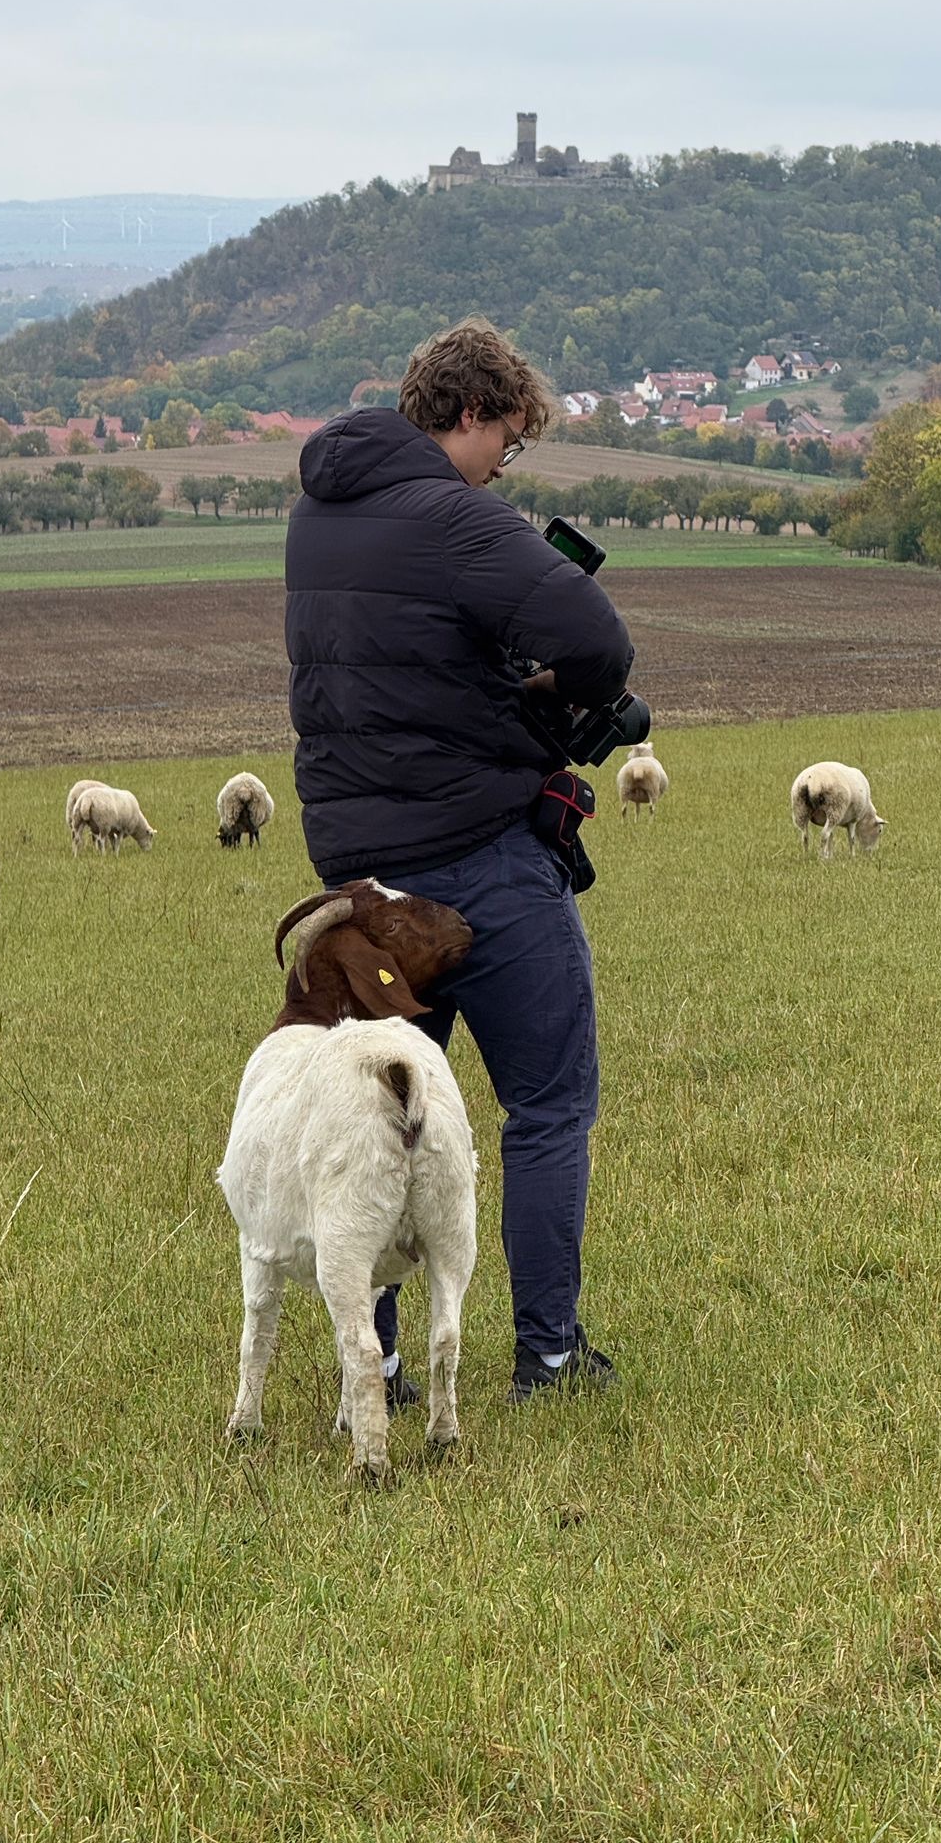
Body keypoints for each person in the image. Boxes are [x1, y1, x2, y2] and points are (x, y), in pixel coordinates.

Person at [284, 318, 636, 1402]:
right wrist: (545, 693)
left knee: (378, 1121)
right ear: (474, 413)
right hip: (478, 863)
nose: (505, 468)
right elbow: (600, 640)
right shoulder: (455, 517)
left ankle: (377, 1363)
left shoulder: (317, 512)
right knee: (547, 1102)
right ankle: (550, 1352)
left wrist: (488, 672)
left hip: (358, 885)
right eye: (509, 444)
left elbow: (406, 664)